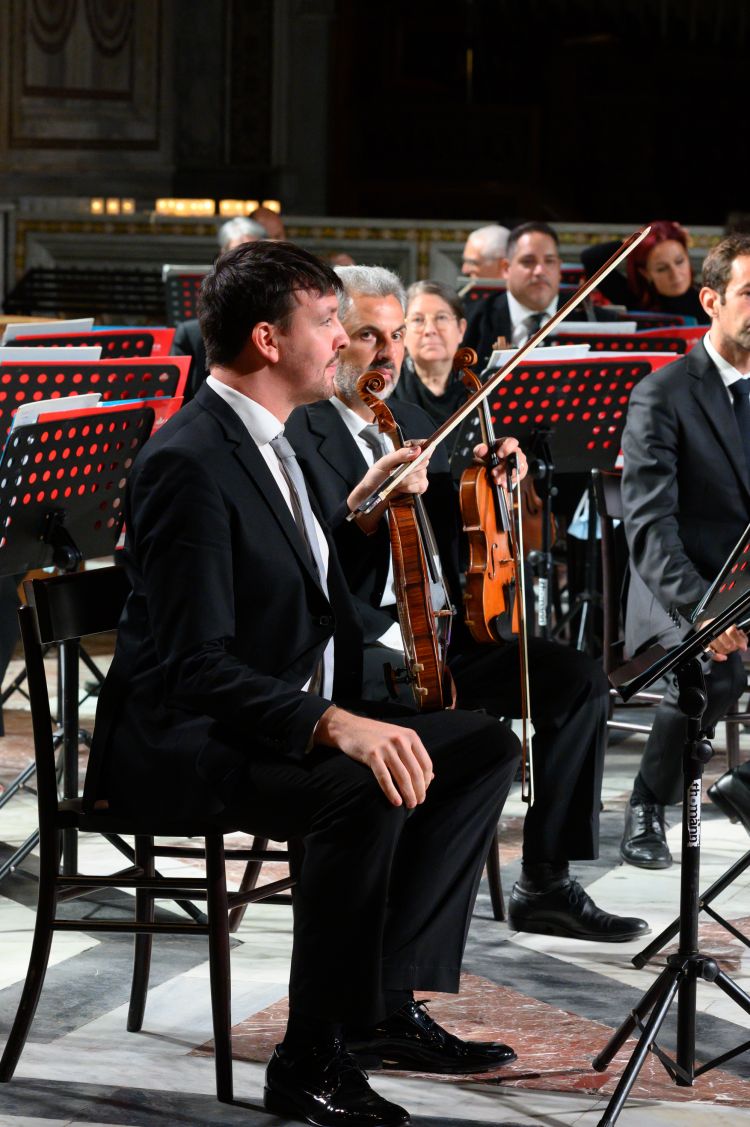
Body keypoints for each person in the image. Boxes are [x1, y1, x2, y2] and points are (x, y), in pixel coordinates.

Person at [84, 241, 523, 1127]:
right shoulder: (189, 460)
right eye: (327, 322)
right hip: (190, 742)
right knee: (361, 782)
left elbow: (315, 605)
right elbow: (195, 666)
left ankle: (382, 1003)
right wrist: (335, 723)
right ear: (268, 339)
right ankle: (310, 1057)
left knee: (482, 745)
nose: (343, 342)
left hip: (260, 718)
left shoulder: (275, 442)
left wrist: (363, 521)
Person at [285, 265, 650, 945]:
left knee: (577, 681)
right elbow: (304, 570)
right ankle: (389, 921)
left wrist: (490, 480)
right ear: (334, 336)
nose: (389, 353)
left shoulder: (418, 420)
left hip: (435, 634)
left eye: (396, 335)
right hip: (357, 646)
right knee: (478, 743)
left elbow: (451, 538)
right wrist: (364, 509)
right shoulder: (300, 433)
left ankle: (546, 880)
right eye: (368, 335)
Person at [620, 234, 750, 869]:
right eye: (749, 293)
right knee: (718, 669)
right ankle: (648, 803)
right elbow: (650, 526)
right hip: (679, 582)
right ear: (711, 301)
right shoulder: (663, 393)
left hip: (745, 580)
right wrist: (704, 610)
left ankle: (744, 785)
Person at [173, 216, 269, 400]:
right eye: (236, 256)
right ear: (222, 258)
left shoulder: (281, 325)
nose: (245, 267)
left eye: (252, 257)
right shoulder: (191, 337)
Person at [462, 221, 566, 367]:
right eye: (528, 261)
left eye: (549, 261)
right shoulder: (472, 320)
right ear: (506, 268)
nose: (540, 271)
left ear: (559, 268)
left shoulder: (589, 318)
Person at [391, 280, 469, 453]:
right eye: (418, 320)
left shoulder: (478, 391)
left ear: (461, 329)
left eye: (441, 318)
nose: (429, 330)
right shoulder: (387, 390)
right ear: (402, 332)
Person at [580, 220, 710, 324]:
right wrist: (634, 241)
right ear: (645, 273)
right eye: (662, 268)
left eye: (680, 261)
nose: (675, 274)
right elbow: (591, 258)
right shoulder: (635, 299)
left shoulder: (710, 298)